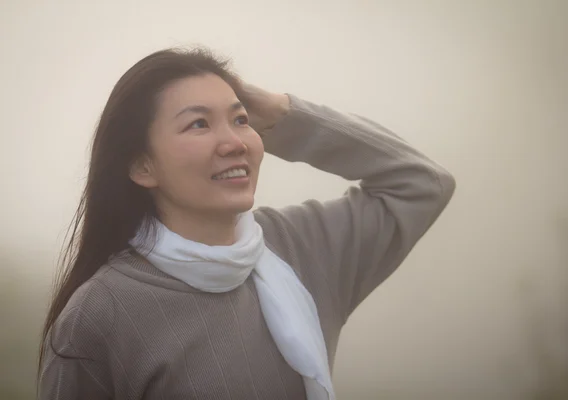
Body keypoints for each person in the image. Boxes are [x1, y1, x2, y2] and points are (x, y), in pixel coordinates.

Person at [37, 47, 455, 400]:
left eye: (241, 120)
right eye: (198, 123)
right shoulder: (100, 313)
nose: (236, 142)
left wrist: (284, 115)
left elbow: (423, 183)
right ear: (142, 166)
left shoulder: (303, 246)